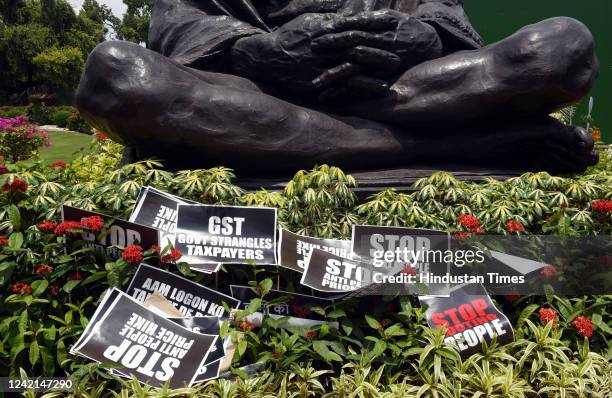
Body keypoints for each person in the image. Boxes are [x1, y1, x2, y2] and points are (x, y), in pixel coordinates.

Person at [76, 0, 599, 174]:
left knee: (562, 46)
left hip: (401, 88)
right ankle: (457, 149)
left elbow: (445, 15)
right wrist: (252, 49)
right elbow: (175, 20)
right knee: (117, 78)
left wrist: (425, 34)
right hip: (254, 86)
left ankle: (362, 134)